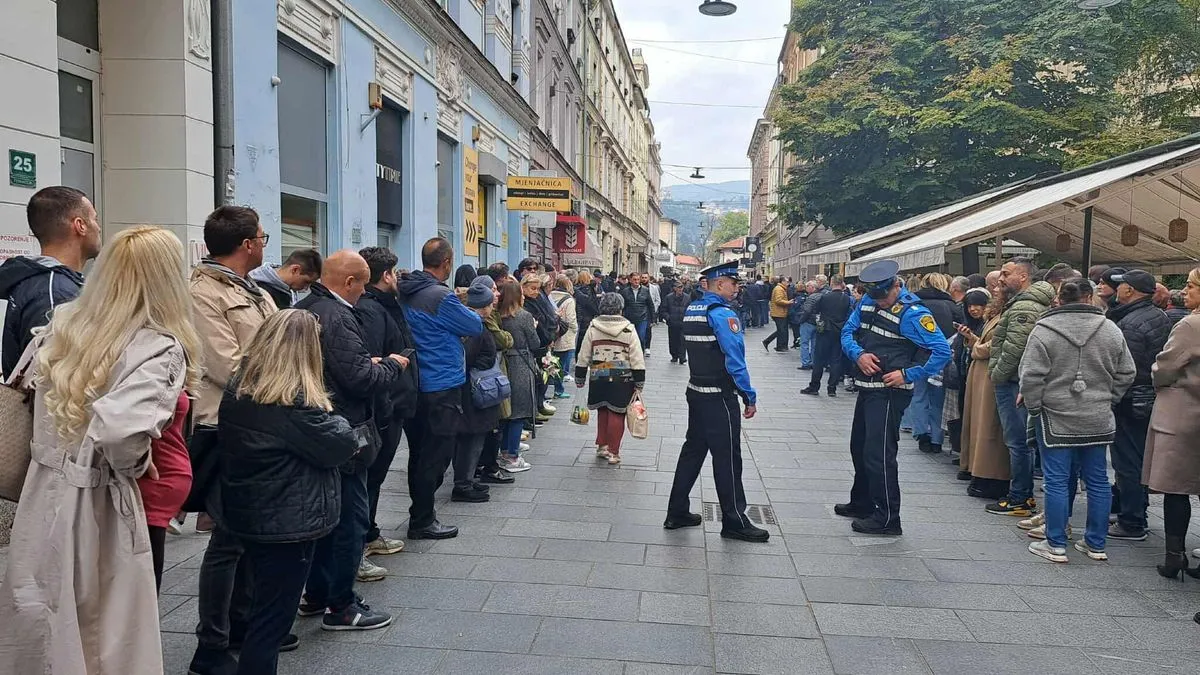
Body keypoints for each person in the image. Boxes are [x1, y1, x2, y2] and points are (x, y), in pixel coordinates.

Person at [0, 226, 201, 675]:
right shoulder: (157, 345)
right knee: (107, 630)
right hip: (102, 498)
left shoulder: (62, 325)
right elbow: (119, 433)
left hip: (43, 489)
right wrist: (137, 463)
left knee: (44, 611)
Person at [208, 310, 359, 674]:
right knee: (271, 622)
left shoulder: (241, 388)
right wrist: (339, 419)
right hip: (289, 520)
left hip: (249, 510)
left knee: (260, 609)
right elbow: (341, 443)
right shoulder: (293, 401)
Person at [188, 206, 281, 675]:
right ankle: (211, 647)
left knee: (248, 534)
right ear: (248, 244)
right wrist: (288, 379)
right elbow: (226, 365)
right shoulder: (203, 293)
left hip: (259, 422)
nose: (266, 242)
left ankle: (243, 626)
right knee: (226, 540)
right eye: (263, 236)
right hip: (222, 426)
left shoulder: (255, 291)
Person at [295, 250, 406, 630]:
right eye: (361, 284)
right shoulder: (338, 315)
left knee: (326, 518)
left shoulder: (306, 305)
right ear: (349, 282)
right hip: (344, 430)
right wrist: (391, 365)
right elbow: (358, 378)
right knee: (350, 520)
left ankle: (318, 593)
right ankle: (341, 605)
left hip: (318, 425)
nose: (364, 292)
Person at [1019, 279, 1134, 563]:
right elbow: (1127, 371)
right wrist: (1110, 398)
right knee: (1097, 480)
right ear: (1090, 297)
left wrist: (1035, 406)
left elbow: (1030, 375)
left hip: (1056, 414)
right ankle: (1096, 543)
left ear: (1059, 299)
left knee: (1056, 480)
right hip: (1097, 415)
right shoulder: (1110, 329)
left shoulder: (1044, 330)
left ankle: (1056, 543)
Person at [836, 260, 952, 536]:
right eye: (875, 296)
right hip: (868, 387)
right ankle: (862, 502)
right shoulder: (866, 301)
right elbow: (848, 332)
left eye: (884, 297)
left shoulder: (913, 313)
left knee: (879, 454)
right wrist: (858, 354)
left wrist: (908, 374)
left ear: (896, 285)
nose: (880, 303)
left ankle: (888, 516)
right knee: (860, 447)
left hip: (890, 392)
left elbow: (941, 351)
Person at [665, 262, 768, 543]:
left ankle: (676, 511)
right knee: (728, 458)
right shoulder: (722, 314)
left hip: (696, 390)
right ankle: (734, 520)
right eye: (734, 283)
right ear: (719, 284)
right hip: (718, 396)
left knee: (693, 451)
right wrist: (748, 394)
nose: (737, 288)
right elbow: (734, 358)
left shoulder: (694, 308)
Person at [398, 238, 484, 539]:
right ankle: (422, 519)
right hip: (442, 383)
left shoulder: (406, 291)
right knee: (437, 454)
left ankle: (420, 513)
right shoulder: (440, 296)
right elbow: (474, 325)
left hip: (415, 382)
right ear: (446, 262)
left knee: (419, 452)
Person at [355, 247, 420, 578]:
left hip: (393, 404)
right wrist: (389, 404)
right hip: (384, 408)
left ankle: (370, 533)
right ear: (385, 276)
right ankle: (361, 544)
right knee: (371, 476)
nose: (399, 278)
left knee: (375, 477)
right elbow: (373, 361)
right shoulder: (371, 310)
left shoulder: (385, 306)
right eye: (395, 273)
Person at [0, 186, 100, 379]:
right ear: (80, 225)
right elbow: (53, 379)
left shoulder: (46, 283)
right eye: (94, 219)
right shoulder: (54, 293)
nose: (98, 227)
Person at [1105, 269, 1172, 541]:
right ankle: (1134, 510)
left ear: (1130, 290)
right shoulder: (1159, 316)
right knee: (1140, 458)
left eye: (1122, 287)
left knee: (1128, 460)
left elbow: (1126, 368)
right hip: (1149, 397)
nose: (1117, 290)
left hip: (1131, 399)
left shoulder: (1130, 323)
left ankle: (1132, 520)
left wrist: (1113, 395)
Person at [985, 258, 1053, 517]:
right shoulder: (1025, 304)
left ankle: (1020, 497)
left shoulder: (1024, 307)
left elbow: (1015, 348)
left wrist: (998, 374)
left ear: (1023, 277)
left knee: (1018, 442)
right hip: (1017, 381)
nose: (1000, 278)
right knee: (1020, 441)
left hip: (1014, 382)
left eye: (1006, 273)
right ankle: (1021, 494)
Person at [1143, 267, 1200, 578]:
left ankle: (1174, 556)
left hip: (1183, 413)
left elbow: (1165, 366)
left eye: (1191, 286)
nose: (1185, 291)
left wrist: (1161, 379)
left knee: (1176, 489)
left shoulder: (1191, 324)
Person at [575, 292, 646, 465]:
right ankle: (614, 452)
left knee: (603, 410)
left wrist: (580, 375)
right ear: (621, 309)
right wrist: (639, 380)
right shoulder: (628, 329)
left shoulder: (593, 327)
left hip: (598, 375)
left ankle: (602, 445)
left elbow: (584, 353)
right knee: (617, 412)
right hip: (622, 379)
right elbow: (636, 356)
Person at [453, 276, 504, 501]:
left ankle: (468, 479)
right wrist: (484, 360)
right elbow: (469, 358)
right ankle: (463, 483)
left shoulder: (474, 324)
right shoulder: (474, 328)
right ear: (483, 307)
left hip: (474, 388)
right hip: (474, 390)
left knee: (474, 438)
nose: (493, 306)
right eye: (490, 304)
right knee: (471, 439)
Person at [960, 288, 1011, 500]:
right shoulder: (996, 315)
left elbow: (996, 345)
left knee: (988, 427)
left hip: (990, 374)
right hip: (981, 373)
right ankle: (978, 472)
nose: (997, 287)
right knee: (980, 425)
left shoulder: (1008, 315)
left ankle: (988, 477)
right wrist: (972, 339)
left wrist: (977, 346)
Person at [911, 273, 963, 454]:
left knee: (919, 396)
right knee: (937, 399)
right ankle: (936, 438)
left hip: (918, 356)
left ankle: (921, 432)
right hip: (942, 358)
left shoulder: (915, 304)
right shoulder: (952, 307)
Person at [948, 289, 990, 479]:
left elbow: (982, 348)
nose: (974, 309)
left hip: (979, 377)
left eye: (978, 305)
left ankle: (973, 461)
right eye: (970, 306)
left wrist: (971, 339)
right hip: (964, 377)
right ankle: (966, 457)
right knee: (965, 416)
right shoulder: (967, 325)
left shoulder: (987, 326)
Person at [498, 281, 539, 472]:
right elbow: (535, 342)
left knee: (506, 412)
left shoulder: (498, 316)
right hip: (521, 364)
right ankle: (512, 456)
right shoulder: (524, 316)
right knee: (518, 413)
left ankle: (503, 450)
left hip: (502, 365)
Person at [801, 275, 853, 396]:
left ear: (831, 283)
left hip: (824, 330)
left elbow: (817, 310)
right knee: (836, 360)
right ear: (842, 284)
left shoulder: (824, 297)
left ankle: (814, 386)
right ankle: (832, 388)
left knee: (819, 359)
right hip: (839, 331)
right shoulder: (846, 298)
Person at [249, 248, 322, 309]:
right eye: (306, 282)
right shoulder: (257, 290)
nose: (306, 288)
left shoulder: (288, 289)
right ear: (295, 270)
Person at [550, 276, 578, 399]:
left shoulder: (549, 296)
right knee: (561, 364)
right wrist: (575, 329)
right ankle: (559, 389)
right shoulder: (569, 300)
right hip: (565, 334)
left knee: (552, 363)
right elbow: (571, 319)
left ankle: (552, 387)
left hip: (552, 334)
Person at [621, 272, 653, 354]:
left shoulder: (645, 290)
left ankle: (640, 353)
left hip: (642, 318)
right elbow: (622, 306)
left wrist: (652, 319)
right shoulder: (625, 291)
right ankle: (630, 353)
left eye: (638, 279)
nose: (636, 281)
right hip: (629, 318)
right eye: (634, 279)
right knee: (628, 338)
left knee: (641, 337)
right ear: (630, 280)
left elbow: (650, 305)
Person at [659, 280, 690, 364]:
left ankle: (682, 357)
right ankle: (674, 356)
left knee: (682, 341)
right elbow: (663, 309)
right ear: (674, 288)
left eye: (681, 287)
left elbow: (690, 309)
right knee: (673, 340)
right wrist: (668, 318)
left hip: (683, 323)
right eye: (678, 287)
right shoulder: (668, 297)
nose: (680, 289)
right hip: (672, 323)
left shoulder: (687, 297)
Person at [762, 275, 794, 352]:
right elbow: (778, 300)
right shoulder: (779, 289)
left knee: (781, 330)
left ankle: (779, 345)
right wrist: (788, 302)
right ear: (782, 282)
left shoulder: (781, 288)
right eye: (787, 281)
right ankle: (771, 342)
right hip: (778, 313)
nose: (788, 283)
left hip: (780, 312)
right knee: (781, 330)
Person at [574, 270, 600, 351]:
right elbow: (591, 304)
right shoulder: (588, 289)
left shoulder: (575, 288)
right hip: (587, 317)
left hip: (578, 316)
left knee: (578, 342)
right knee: (584, 341)